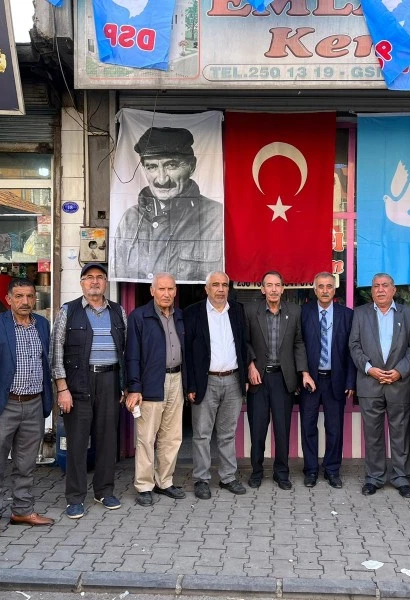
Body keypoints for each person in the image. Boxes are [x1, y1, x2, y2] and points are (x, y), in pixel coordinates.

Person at [0, 278, 55, 544]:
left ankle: (22, 510)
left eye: (29, 296)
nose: (25, 301)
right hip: (4, 405)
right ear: (8, 299)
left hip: (34, 404)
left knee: (26, 463)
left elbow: (46, 363)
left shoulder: (42, 324)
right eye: (19, 296)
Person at [51, 263, 127, 520]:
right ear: (82, 282)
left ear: (106, 282)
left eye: (100, 277)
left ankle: (104, 491)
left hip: (110, 380)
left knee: (108, 439)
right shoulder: (68, 311)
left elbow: (126, 350)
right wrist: (62, 388)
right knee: (77, 442)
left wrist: (124, 385)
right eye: (89, 277)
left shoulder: (118, 311)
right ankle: (75, 497)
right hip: (78, 383)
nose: (95, 281)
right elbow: (56, 352)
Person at [112, 127, 223, 282]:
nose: (162, 179)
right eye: (152, 167)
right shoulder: (130, 220)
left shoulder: (216, 218)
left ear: (191, 166)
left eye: (171, 165)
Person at [349, 273, 410, 498]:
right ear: (371, 291)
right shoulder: (360, 314)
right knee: (373, 434)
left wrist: (399, 371)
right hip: (370, 382)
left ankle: (401, 477)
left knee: (400, 432)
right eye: (376, 286)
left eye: (385, 285)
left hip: (399, 383)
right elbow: (354, 345)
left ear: (394, 290)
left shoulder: (409, 315)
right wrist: (369, 368)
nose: (380, 290)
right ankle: (374, 477)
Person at [245, 271, 313, 490]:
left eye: (277, 285)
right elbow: (244, 341)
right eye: (269, 285)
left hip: (283, 379)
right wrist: (250, 365)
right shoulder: (250, 311)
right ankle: (256, 472)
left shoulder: (294, 311)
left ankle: (281, 473)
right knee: (257, 430)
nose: (273, 289)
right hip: (258, 380)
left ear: (283, 289)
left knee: (282, 431)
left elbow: (299, 343)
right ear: (262, 289)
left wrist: (303, 372)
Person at [184, 271, 248, 499]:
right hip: (206, 381)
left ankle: (228, 477)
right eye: (216, 285)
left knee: (227, 433)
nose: (221, 289)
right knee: (202, 434)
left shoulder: (237, 311)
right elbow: (187, 352)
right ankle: (201, 479)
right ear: (207, 288)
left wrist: (244, 378)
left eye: (224, 285)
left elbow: (243, 345)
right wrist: (190, 385)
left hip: (233, 379)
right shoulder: (193, 313)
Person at [126, 272, 187, 506]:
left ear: (175, 292)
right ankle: (144, 485)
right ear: (152, 291)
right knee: (146, 437)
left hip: (176, 379)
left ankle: (165, 481)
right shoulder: (139, 316)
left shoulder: (180, 316)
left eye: (170, 289)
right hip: (151, 381)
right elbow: (132, 355)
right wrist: (134, 387)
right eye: (161, 289)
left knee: (172, 436)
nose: (166, 293)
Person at [299, 272, 355, 489]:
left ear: (334, 289)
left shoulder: (346, 315)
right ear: (315, 290)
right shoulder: (303, 312)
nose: (324, 290)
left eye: (329, 286)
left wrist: (350, 382)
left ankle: (332, 470)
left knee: (334, 428)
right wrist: (302, 373)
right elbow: (297, 345)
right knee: (308, 426)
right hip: (310, 380)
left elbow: (351, 351)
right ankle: (311, 470)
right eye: (320, 286)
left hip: (336, 380)